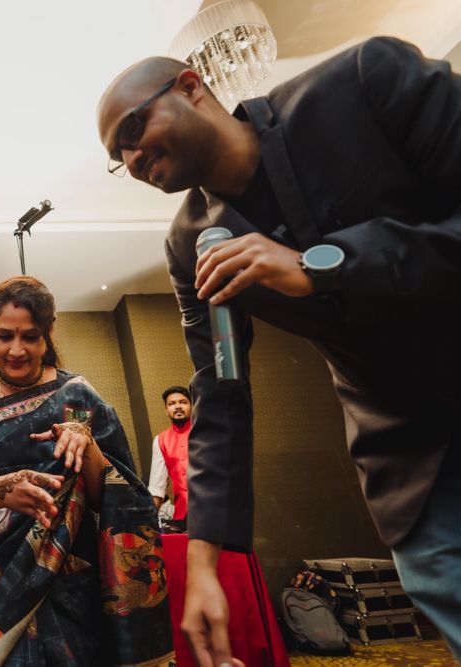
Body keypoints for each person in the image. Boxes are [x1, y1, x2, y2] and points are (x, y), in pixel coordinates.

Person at [96, 35, 461, 665]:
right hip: (411, 460)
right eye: (116, 156)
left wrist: (329, 268)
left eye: (134, 128)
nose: (130, 158)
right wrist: (206, 566)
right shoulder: (191, 246)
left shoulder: (364, 80)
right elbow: (221, 393)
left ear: (190, 86)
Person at [0, 276, 173, 666]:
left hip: (68, 583)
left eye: (31, 336)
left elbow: (111, 500)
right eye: (5, 336)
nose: (17, 350)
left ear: (49, 332)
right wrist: (1, 490)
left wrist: (85, 442)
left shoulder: (75, 397)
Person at [148, 386, 192, 532]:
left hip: (215, 513)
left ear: (192, 406)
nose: (178, 406)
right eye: (172, 403)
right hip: (181, 519)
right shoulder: (160, 440)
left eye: (183, 402)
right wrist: (149, 522)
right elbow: (157, 487)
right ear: (166, 410)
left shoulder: (206, 433)